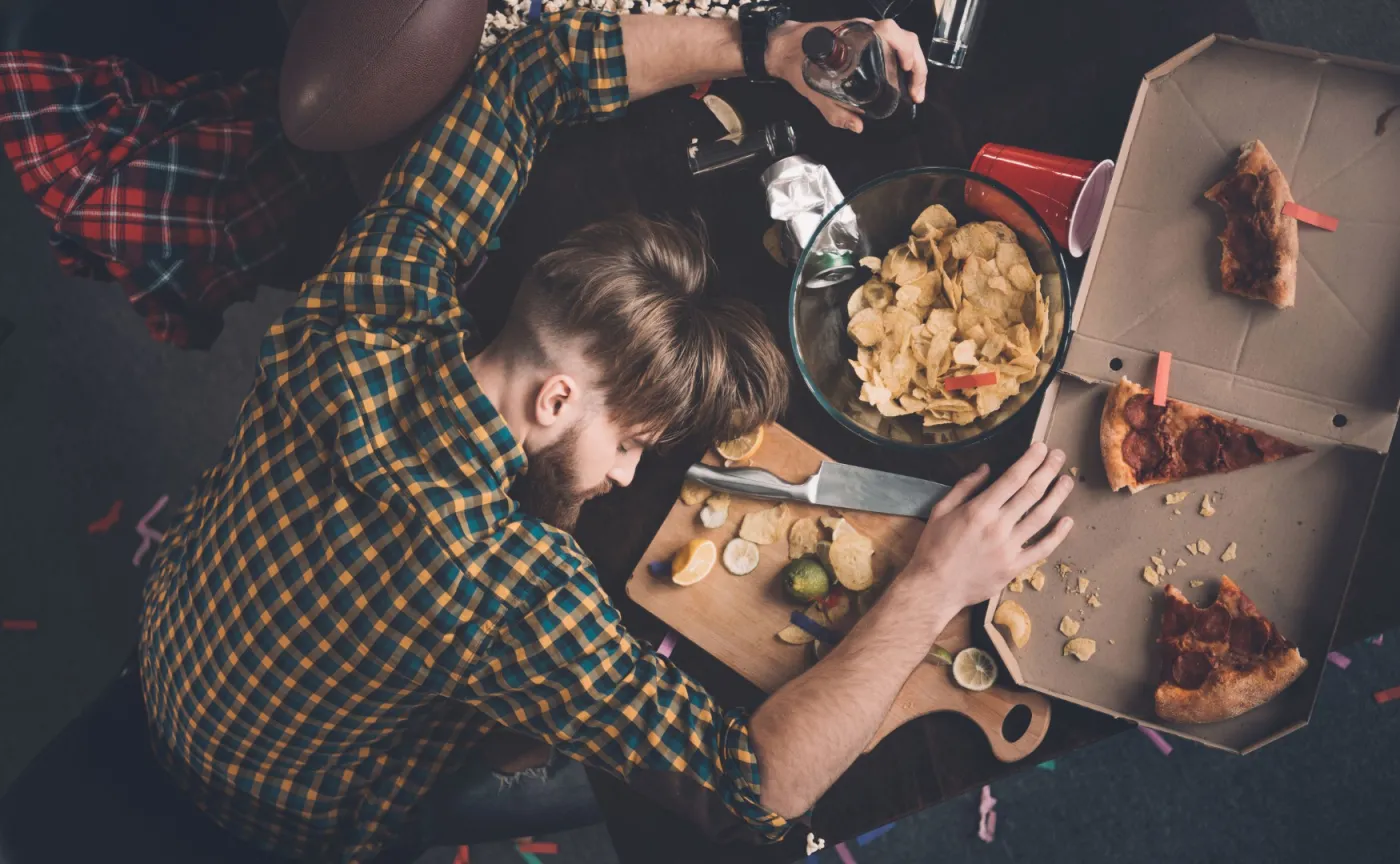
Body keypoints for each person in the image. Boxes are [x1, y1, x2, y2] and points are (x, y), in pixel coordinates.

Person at [137, 8, 1076, 864]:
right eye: (633, 440)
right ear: (554, 402)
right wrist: (935, 583)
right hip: (293, 812)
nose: (629, 473)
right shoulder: (501, 595)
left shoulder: (370, 302)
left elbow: (525, 77)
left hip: (174, 638)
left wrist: (770, 48)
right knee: (568, 754)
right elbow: (756, 788)